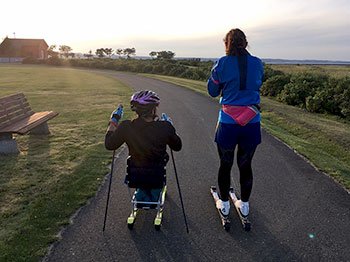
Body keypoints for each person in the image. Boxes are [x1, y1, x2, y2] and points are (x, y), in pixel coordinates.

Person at [207, 28, 264, 218]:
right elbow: (256, 84)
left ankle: (224, 204)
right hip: (251, 121)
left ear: (227, 44)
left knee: (225, 163)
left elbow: (213, 91)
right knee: (245, 164)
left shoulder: (222, 63)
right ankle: (245, 205)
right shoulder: (257, 63)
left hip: (228, 122)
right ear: (245, 44)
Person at [105, 90, 182, 202]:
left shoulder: (126, 127)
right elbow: (177, 146)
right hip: (157, 176)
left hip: (135, 176)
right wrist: (170, 127)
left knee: (140, 169)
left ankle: (143, 192)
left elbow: (109, 144)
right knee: (160, 161)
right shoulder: (165, 127)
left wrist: (114, 120)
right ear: (153, 109)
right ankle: (153, 192)